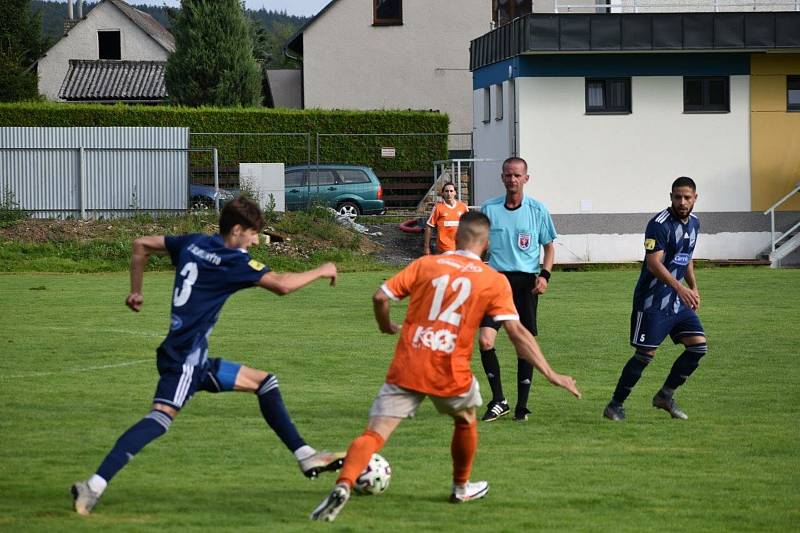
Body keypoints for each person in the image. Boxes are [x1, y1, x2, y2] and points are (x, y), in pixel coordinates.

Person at [71, 197, 344, 516]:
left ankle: (305, 455)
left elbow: (140, 244)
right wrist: (322, 269)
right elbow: (282, 285)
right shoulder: (231, 260)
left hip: (194, 359)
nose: (257, 240)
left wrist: (136, 290)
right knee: (159, 419)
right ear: (238, 230)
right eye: (254, 233)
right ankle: (93, 486)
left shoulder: (194, 242)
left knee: (264, 382)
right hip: (185, 358)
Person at [309, 212, 580, 522]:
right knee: (465, 419)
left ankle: (344, 484)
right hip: (449, 370)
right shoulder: (493, 279)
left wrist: (385, 326)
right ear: (486, 242)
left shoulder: (427, 264)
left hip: (408, 363)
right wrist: (551, 374)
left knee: (375, 434)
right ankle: (460, 486)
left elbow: (380, 297)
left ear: (457, 236)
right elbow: (518, 334)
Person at [603, 177, 705, 421]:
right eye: (677, 197)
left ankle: (665, 396)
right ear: (670, 196)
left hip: (677, 302)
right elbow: (653, 263)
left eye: (687, 197)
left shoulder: (694, 224)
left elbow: (686, 256)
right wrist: (681, 289)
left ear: (695, 198)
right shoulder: (659, 224)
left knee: (698, 347)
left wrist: (693, 287)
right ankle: (615, 405)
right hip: (652, 302)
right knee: (645, 355)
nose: (682, 202)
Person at [478, 157, 557, 422]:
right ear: (502, 177)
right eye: (508, 175)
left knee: (523, 345)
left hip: (526, 284)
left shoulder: (537, 210)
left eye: (517, 176)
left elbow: (549, 247)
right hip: (497, 283)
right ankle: (499, 400)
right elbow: (477, 245)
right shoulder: (489, 209)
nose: (512, 180)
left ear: (526, 178)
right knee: (485, 340)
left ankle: (522, 406)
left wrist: (544, 276)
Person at [423, 182, 469, 255]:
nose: (449, 193)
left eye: (451, 191)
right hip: (444, 247)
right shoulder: (438, 208)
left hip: (461, 246)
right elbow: (429, 226)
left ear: (455, 193)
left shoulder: (463, 207)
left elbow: (470, 226)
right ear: (443, 193)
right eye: (446, 191)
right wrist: (426, 247)